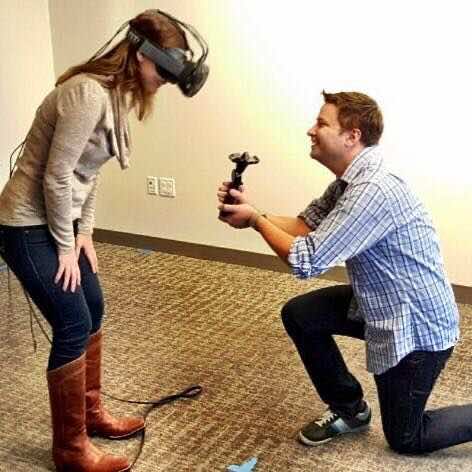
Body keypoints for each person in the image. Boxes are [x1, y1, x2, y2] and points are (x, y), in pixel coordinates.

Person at [0, 9, 207, 472]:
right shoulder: (87, 94)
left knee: (93, 307)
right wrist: (65, 246)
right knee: (73, 322)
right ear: (140, 55)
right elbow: (56, 176)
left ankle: (90, 415)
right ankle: (70, 450)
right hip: (24, 224)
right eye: (164, 71)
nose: (165, 83)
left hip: (59, 221)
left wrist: (85, 233)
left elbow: (88, 173)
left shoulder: (116, 97)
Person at [217, 90, 472, 454]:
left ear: (352, 136)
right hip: (378, 302)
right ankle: (349, 409)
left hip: (415, 327)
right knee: (301, 315)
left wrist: (256, 221)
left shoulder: (373, 190)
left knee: (406, 438)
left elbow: (306, 260)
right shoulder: (350, 181)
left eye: (321, 123)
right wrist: (253, 212)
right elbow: (305, 226)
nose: (311, 130)